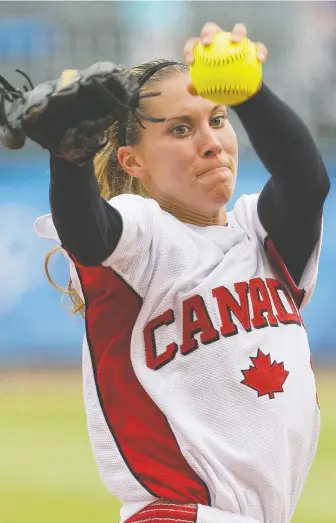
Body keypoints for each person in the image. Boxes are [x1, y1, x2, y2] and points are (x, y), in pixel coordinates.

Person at [30, 21, 329, 523]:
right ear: (133, 161)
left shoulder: (262, 238)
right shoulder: (145, 238)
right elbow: (89, 231)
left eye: (217, 118)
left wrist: (250, 92)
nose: (211, 142)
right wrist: (72, 158)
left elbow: (306, 180)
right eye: (180, 129)